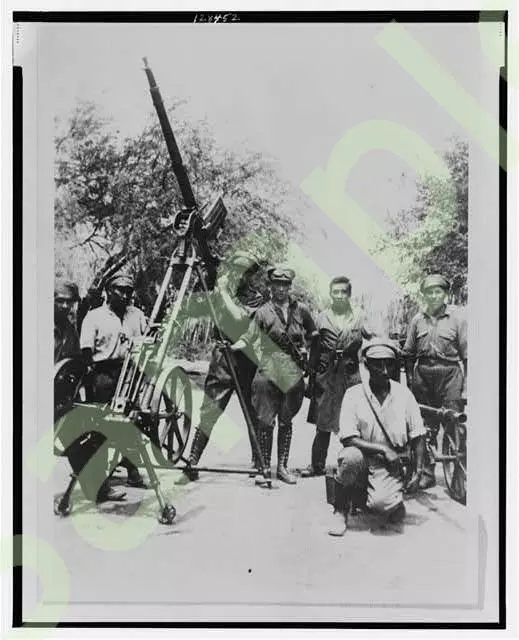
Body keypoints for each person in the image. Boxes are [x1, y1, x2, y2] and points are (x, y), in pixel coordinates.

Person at [327, 338, 426, 536]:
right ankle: (340, 510)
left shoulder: (404, 395)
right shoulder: (353, 394)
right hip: (363, 458)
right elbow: (348, 438)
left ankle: (384, 501)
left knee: (382, 505)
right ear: (367, 365)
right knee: (349, 458)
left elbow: (418, 434)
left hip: (390, 465)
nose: (384, 370)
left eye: (389, 364)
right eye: (377, 364)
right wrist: (382, 449)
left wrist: (419, 470)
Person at [183, 250, 266, 480]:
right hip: (222, 357)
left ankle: (259, 464)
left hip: (245, 357)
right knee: (210, 410)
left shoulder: (255, 297)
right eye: (237, 271)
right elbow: (193, 307)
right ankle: (192, 461)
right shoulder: (219, 292)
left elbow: (240, 318)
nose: (241, 277)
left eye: (246, 273)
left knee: (252, 411)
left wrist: (223, 293)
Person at [232, 266, 317, 485]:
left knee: (286, 421)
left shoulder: (302, 310)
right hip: (269, 368)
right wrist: (235, 346)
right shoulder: (263, 312)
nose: (280, 289)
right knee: (265, 421)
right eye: (276, 285)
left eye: (284, 285)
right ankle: (263, 468)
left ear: (290, 287)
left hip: (292, 371)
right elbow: (249, 336)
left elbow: (313, 333)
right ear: (270, 287)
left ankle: (282, 468)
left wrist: (307, 350)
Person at [54, 278, 126, 504]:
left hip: (60, 396)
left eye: (69, 302)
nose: (65, 306)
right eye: (60, 301)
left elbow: (74, 363)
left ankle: (98, 489)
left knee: (80, 440)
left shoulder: (69, 328)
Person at [80, 272, 149, 489]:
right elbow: (86, 350)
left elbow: (147, 340)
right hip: (102, 375)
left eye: (129, 291)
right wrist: (90, 375)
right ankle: (100, 476)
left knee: (129, 421)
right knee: (102, 424)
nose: (126, 295)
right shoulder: (94, 316)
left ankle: (132, 471)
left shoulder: (136, 315)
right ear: (109, 291)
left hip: (129, 373)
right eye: (121, 290)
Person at [402, 274, 467, 489]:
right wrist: (411, 383)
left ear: (445, 294)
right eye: (429, 292)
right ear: (424, 295)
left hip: (449, 375)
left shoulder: (458, 319)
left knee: (454, 422)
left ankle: (459, 476)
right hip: (423, 375)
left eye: (438, 291)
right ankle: (427, 473)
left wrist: (466, 387)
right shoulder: (417, 320)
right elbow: (409, 354)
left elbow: (467, 356)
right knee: (424, 426)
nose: (434, 296)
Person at [302, 276, 369, 478]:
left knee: (354, 421)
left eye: (343, 292)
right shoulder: (322, 317)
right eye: (335, 292)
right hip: (327, 374)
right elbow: (312, 346)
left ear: (349, 294)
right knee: (323, 421)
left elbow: (372, 339)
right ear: (330, 294)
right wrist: (311, 375)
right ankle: (316, 465)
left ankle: (358, 465)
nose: (339, 296)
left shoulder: (359, 316)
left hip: (350, 374)